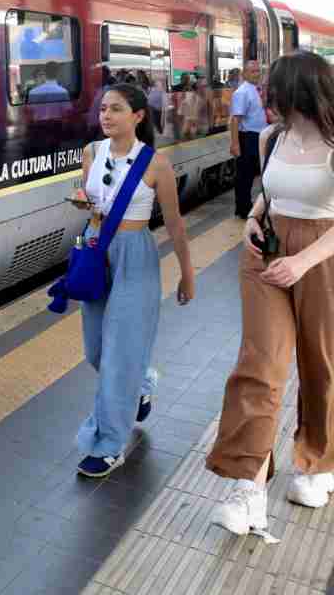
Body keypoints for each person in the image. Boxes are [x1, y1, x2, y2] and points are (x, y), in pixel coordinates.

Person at [208, 52, 334, 534]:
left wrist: (302, 261)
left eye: (272, 88)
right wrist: (254, 220)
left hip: (321, 258)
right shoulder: (271, 137)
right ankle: (248, 487)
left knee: (322, 363)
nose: (266, 97)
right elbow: (270, 192)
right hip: (267, 255)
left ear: (299, 90)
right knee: (260, 365)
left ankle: (316, 463)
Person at [70, 83, 196, 477]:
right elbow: (92, 205)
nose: (106, 116)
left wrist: (187, 274)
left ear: (138, 116)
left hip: (135, 257)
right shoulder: (91, 152)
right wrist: (84, 205)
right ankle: (141, 382)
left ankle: (108, 443)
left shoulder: (156, 164)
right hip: (95, 251)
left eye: (116, 109)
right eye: (103, 109)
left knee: (119, 356)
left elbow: (174, 224)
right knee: (96, 351)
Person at [229, 60, 267, 218]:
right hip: (248, 137)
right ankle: (243, 208)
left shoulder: (257, 90)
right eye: (252, 71)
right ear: (244, 73)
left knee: (257, 173)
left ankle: (253, 206)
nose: (256, 74)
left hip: (259, 137)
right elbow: (235, 120)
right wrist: (235, 143)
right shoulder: (242, 92)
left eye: (258, 71)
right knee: (245, 175)